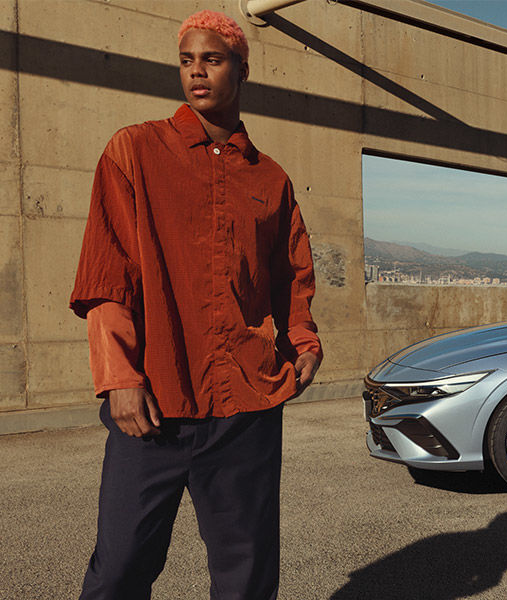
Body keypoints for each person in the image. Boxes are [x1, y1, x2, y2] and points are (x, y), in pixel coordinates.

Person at [69, 10, 323, 599]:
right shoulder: (133, 151)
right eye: (187, 60)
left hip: (245, 407)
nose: (196, 72)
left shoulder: (271, 179)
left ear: (242, 70)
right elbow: (107, 276)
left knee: (247, 574)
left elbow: (292, 278)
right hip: (153, 401)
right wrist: (119, 377)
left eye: (212, 59)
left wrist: (304, 343)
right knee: (119, 568)